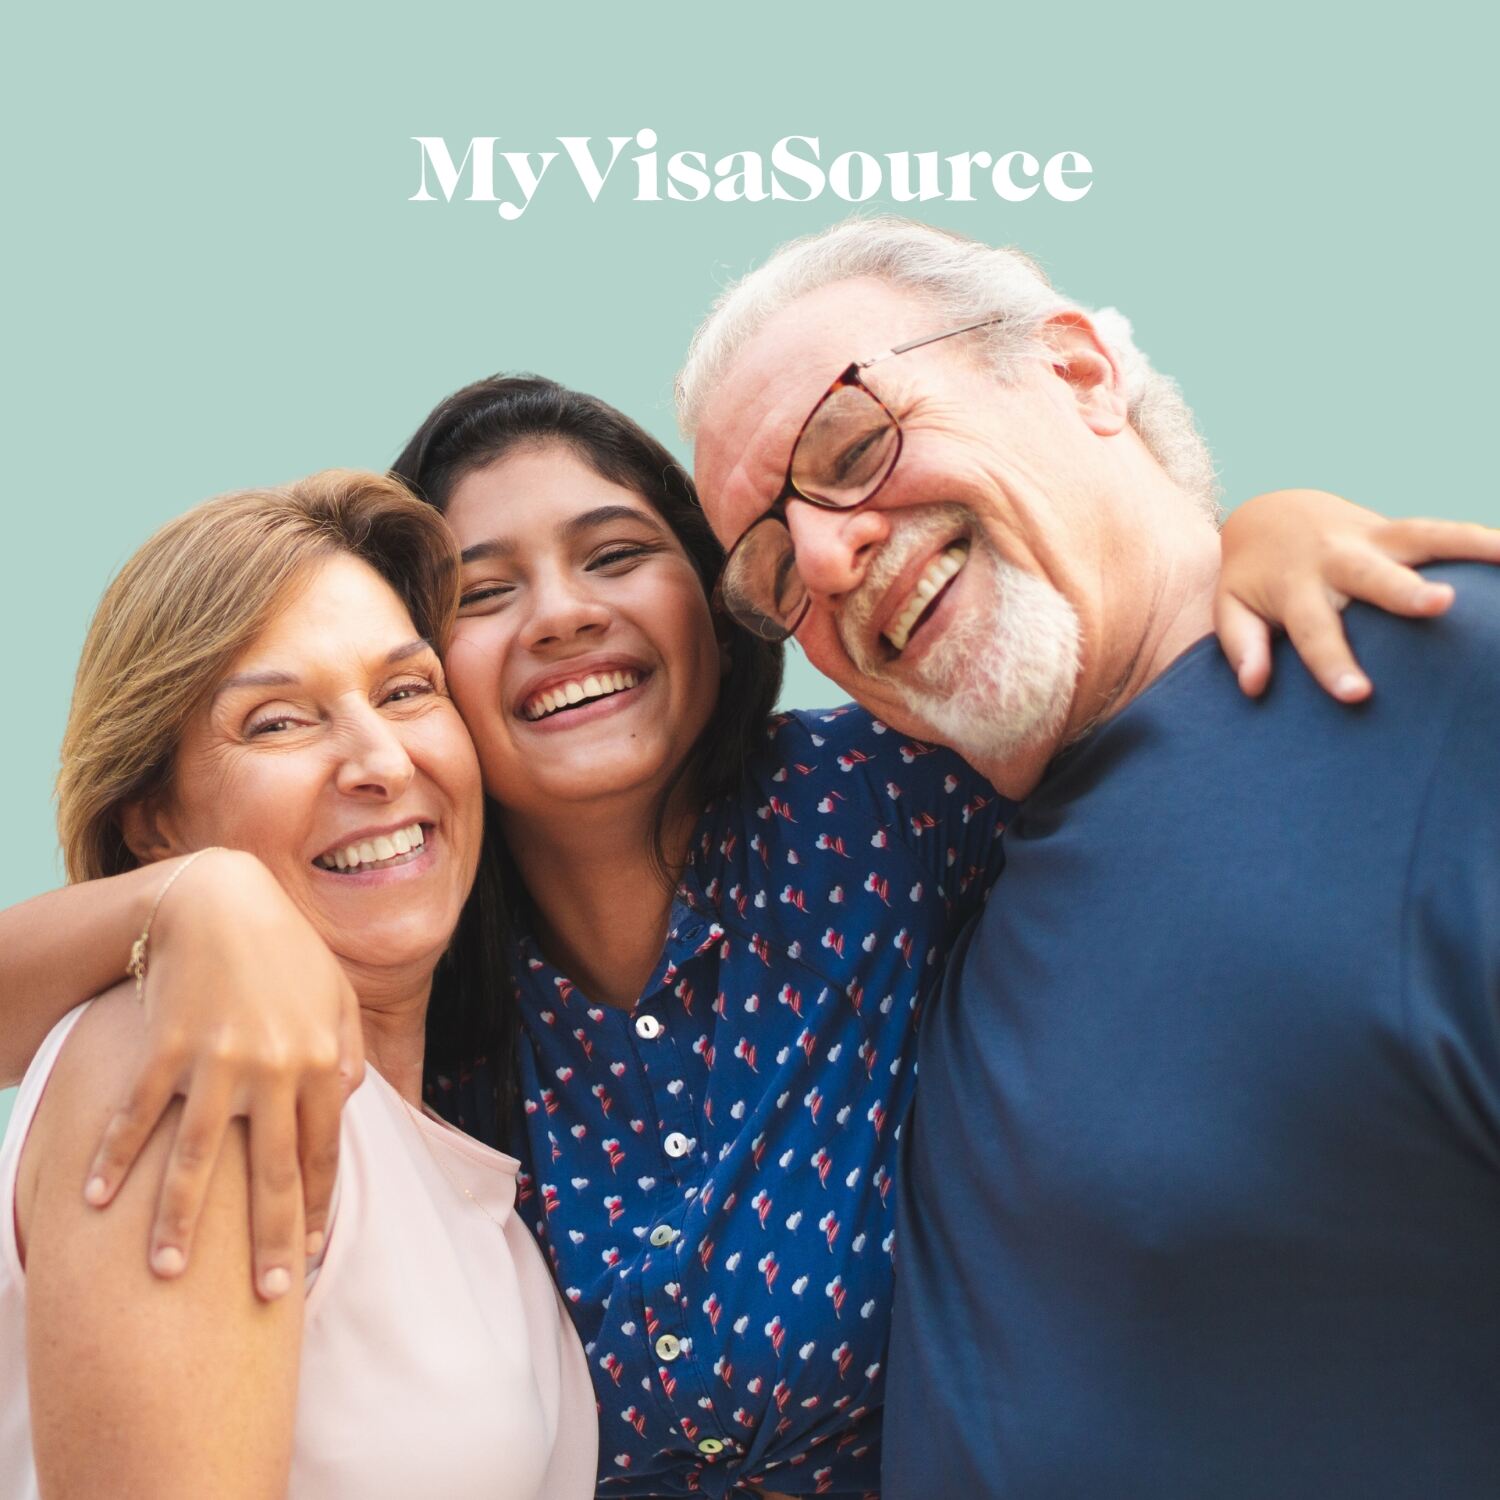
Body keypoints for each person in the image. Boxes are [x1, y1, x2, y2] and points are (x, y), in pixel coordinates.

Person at [0, 382, 1492, 1498]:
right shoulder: (376, 980)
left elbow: (1116, 693)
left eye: (616, 554)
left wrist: (1250, 534)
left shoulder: (895, 803)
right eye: (483, 592)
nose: (564, 615)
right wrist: (181, 899)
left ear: (724, 608)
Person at [679, 216, 1500, 1497]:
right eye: (774, 568)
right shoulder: (923, 876)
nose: (830, 557)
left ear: (1078, 372)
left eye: (856, 444)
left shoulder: (1448, 684)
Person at [0, 472, 596, 1499]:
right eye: (277, 723)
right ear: (155, 821)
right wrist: (199, 897)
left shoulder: (455, 1171)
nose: (378, 760)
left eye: (408, 692)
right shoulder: (191, 1053)